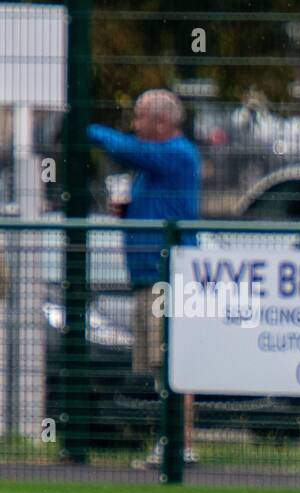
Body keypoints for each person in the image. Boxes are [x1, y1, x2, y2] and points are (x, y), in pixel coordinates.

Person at [88, 89, 201, 464]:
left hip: (165, 276)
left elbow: (125, 149)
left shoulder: (176, 154)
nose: (134, 126)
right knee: (158, 364)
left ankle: (179, 444)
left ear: (162, 121)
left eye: (140, 117)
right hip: (146, 276)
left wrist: (85, 127)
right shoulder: (152, 165)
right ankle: (173, 441)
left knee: (170, 360)